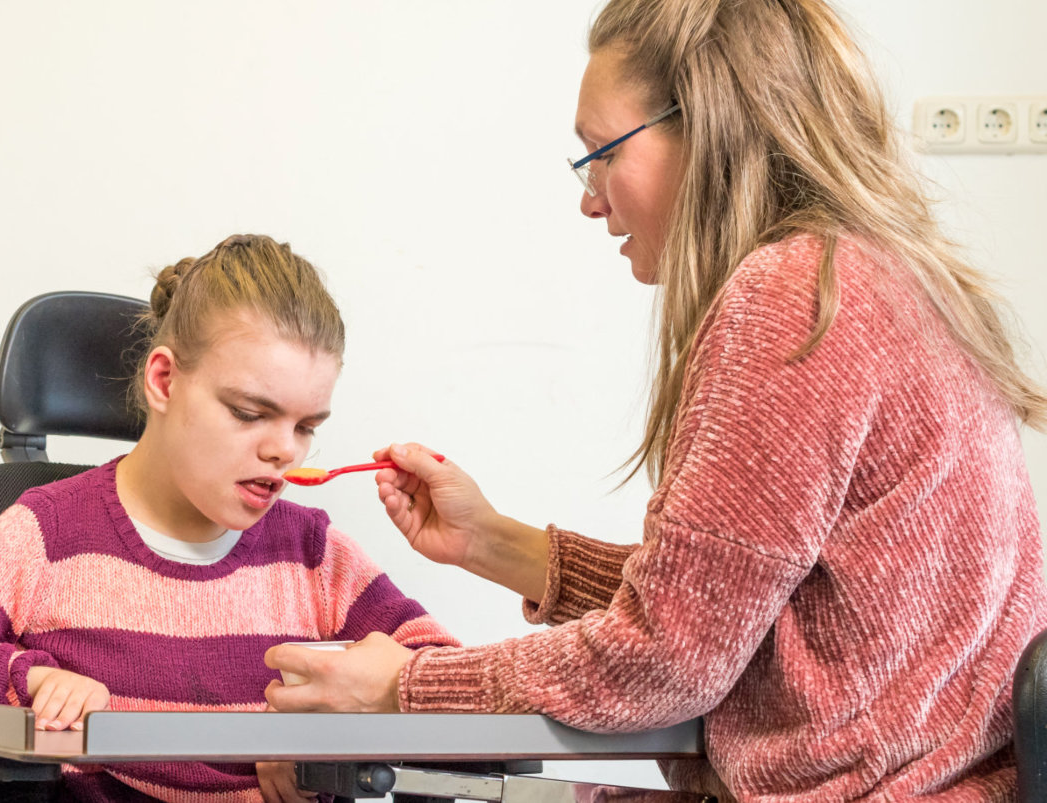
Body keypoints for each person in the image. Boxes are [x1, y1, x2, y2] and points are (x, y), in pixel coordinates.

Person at [263, 1, 1047, 801]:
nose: (590, 199)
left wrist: (406, 688)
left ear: (705, 127)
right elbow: (732, 612)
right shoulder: (879, 277)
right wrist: (491, 542)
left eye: (600, 153)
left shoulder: (793, 300)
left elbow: (667, 655)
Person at [0, 234, 457, 803]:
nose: (284, 451)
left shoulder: (312, 553)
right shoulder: (46, 535)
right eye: (250, 413)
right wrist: (23, 683)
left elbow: (448, 683)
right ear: (163, 380)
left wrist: (322, 732)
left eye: (305, 427)